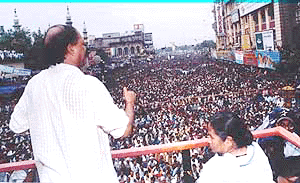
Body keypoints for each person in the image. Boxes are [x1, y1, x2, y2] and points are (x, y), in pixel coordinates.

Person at [9, 24, 136, 183]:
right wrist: (129, 102)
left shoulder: (34, 85)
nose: (85, 49)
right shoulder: (89, 84)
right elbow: (124, 130)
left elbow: (16, 125)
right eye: (82, 44)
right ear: (71, 49)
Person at [196, 112, 274, 183]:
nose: (208, 140)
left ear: (228, 141)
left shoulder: (214, 168)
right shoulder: (256, 149)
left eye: (211, 137)